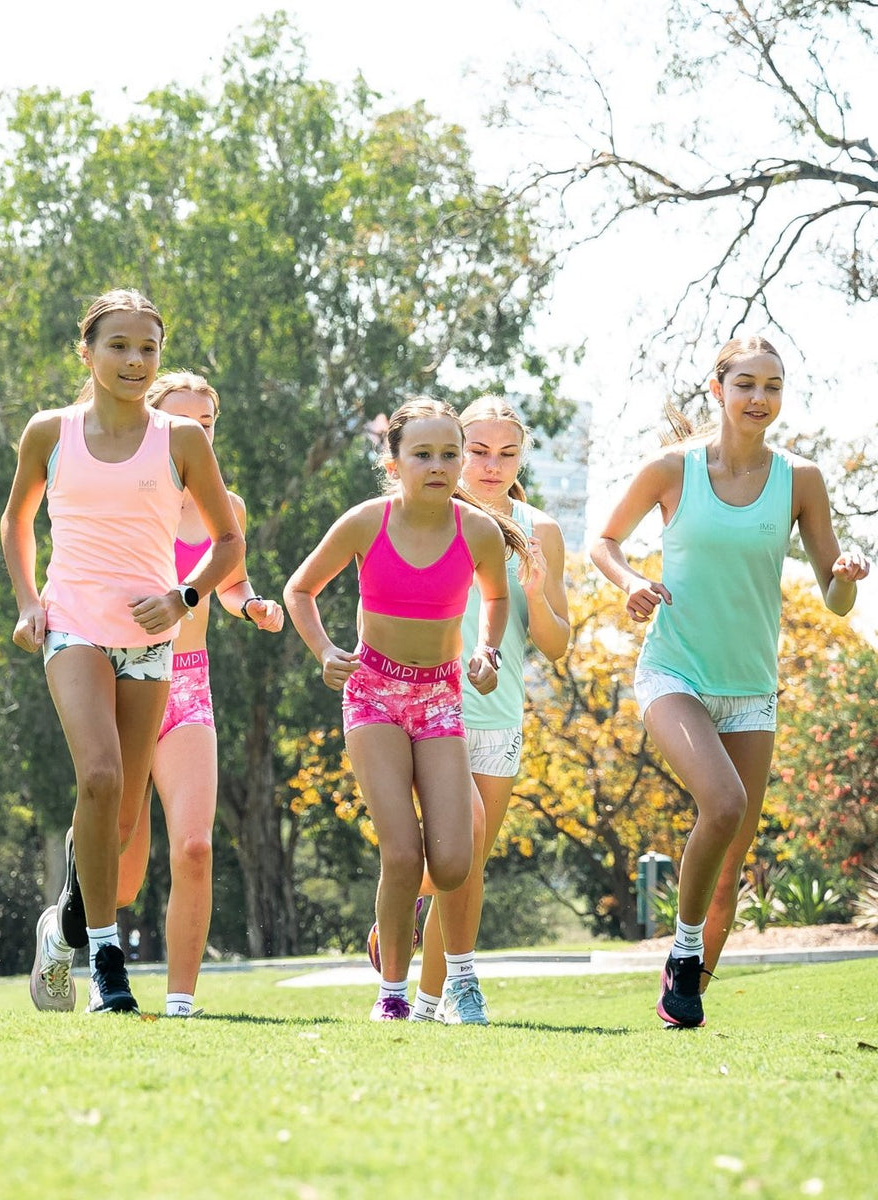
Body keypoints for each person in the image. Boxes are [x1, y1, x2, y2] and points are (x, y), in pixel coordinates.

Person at [590, 335, 870, 1028]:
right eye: (745, 383)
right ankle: (683, 953)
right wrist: (630, 582)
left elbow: (836, 602)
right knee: (722, 804)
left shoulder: (800, 479)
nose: (760, 398)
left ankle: (684, 998)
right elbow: (605, 540)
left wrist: (844, 578)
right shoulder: (672, 469)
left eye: (772, 386)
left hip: (750, 686)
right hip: (673, 668)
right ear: (717, 389)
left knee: (732, 854)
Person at [2, 290, 244, 1017]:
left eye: (148, 348)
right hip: (72, 624)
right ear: (87, 351)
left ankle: (63, 925)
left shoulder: (181, 439)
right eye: (118, 345)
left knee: (128, 820)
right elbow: (15, 520)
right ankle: (107, 960)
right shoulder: (50, 432)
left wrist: (184, 599)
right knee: (101, 776)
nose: (135, 360)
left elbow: (229, 542)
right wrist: (25, 601)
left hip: (151, 640)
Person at [284, 397, 529, 1020]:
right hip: (374, 694)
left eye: (451, 453)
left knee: (451, 860)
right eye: (423, 454)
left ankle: (441, 965)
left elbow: (496, 598)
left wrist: (487, 651)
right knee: (401, 853)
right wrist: (325, 651)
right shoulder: (367, 522)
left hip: (441, 697)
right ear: (393, 463)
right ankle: (392, 994)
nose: (440, 464)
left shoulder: (479, 532)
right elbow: (300, 588)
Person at [114, 372, 284, 1018]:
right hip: (122, 679)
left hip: (188, 683)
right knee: (125, 874)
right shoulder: (121, 495)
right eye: (184, 421)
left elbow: (231, 582)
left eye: (207, 423)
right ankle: (69, 920)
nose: (196, 433)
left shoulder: (226, 506)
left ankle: (180, 1004)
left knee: (194, 845)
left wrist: (253, 606)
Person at [407, 399, 570, 1024]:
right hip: (429, 710)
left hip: (500, 718)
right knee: (440, 854)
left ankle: (434, 1000)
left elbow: (557, 646)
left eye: (507, 453)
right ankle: (401, 908)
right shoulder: (430, 516)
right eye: (478, 450)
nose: (491, 465)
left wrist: (532, 580)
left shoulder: (541, 530)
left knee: (467, 866)